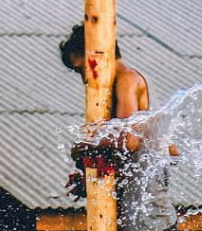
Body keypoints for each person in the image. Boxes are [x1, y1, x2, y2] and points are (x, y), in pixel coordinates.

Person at [59, 23, 177, 231]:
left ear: (99, 55)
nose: (85, 79)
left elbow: (128, 141)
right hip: (148, 218)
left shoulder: (128, 80)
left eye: (82, 69)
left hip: (148, 222)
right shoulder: (137, 86)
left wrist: (83, 144)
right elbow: (170, 150)